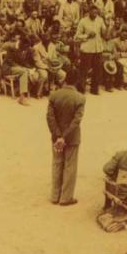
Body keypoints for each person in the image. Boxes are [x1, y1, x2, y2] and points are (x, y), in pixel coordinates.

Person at [46, 68, 86, 206]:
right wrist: (64, 137)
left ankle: (55, 196)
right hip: (72, 137)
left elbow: (50, 118)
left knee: (57, 164)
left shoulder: (54, 95)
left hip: (56, 138)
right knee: (70, 166)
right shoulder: (80, 98)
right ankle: (66, 197)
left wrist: (58, 136)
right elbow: (76, 121)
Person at [75, 5, 107, 95]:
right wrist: (87, 35)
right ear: (89, 12)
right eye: (93, 12)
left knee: (97, 70)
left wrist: (106, 27)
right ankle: (81, 89)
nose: (95, 14)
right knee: (84, 70)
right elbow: (77, 36)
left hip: (98, 48)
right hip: (87, 49)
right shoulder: (83, 21)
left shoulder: (100, 20)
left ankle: (94, 89)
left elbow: (104, 34)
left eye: (96, 12)